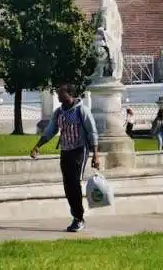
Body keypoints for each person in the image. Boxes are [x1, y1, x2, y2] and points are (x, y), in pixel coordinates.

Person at [30, 84, 100, 233]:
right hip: (65, 151)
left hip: (80, 151)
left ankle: (79, 219)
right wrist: (38, 146)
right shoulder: (59, 112)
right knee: (68, 186)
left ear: (69, 94)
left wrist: (96, 155)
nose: (57, 95)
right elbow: (50, 130)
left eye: (60, 93)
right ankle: (75, 216)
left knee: (75, 184)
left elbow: (92, 132)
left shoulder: (82, 110)